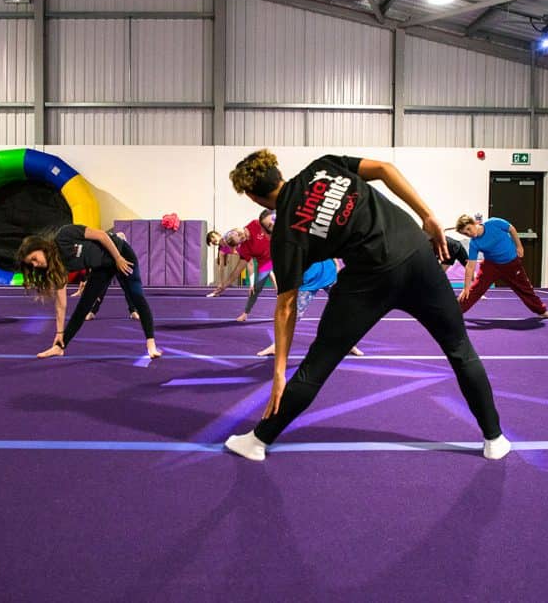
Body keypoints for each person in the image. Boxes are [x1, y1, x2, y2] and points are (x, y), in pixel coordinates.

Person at [222, 150, 510, 462]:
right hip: (415, 254)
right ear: (277, 172)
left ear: (252, 196)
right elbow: (385, 169)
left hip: (368, 281)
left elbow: (286, 306)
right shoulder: (323, 166)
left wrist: (279, 372)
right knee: (459, 348)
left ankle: (259, 440)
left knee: (318, 364)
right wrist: (427, 214)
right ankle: (494, 437)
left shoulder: (285, 235)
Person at [17, 224, 161, 359]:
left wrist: (118, 258)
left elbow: (101, 235)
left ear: (42, 247)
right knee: (83, 306)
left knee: (136, 296)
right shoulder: (57, 268)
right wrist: (60, 333)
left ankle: (151, 344)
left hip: (122, 254)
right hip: (102, 267)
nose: (36, 265)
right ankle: (60, 347)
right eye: (32, 264)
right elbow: (61, 304)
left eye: (34, 259)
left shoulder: (65, 235)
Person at [455, 214, 548, 320]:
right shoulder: (474, 244)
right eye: (465, 233)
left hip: (511, 263)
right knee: (474, 290)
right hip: (491, 266)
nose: (469, 233)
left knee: (525, 288)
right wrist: (466, 287)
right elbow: (470, 267)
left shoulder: (494, 223)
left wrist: (519, 246)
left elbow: (511, 229)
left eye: (469, 229)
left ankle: (542, 311)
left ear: (474, 223)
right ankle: (454, 313)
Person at [256, 258, 363, 357]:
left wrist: (336, 263)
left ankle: (349, 344)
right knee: (292, 315)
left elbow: (331, 244)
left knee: (345, 308)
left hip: (328, 273)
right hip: (309, 279)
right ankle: (277, 346)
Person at [208, 209, 277, 321]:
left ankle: (283, 300)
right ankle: (246, 313)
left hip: (278, 251)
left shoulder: (255, 223)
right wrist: (224, 286)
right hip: (266, 262)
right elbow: (239, 270)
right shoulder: (245, 248)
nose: (243, 236)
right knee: (256, 288)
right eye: (241, 239)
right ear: (240, 243)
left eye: (240, 234)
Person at [206, 230, 242, 295]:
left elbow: (239, 232)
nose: (213, 239)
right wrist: (221, 282)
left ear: (218, 235)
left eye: (213, 237)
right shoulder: (222, 251)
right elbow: (221, 267)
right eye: (212, 241)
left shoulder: (229, 236)